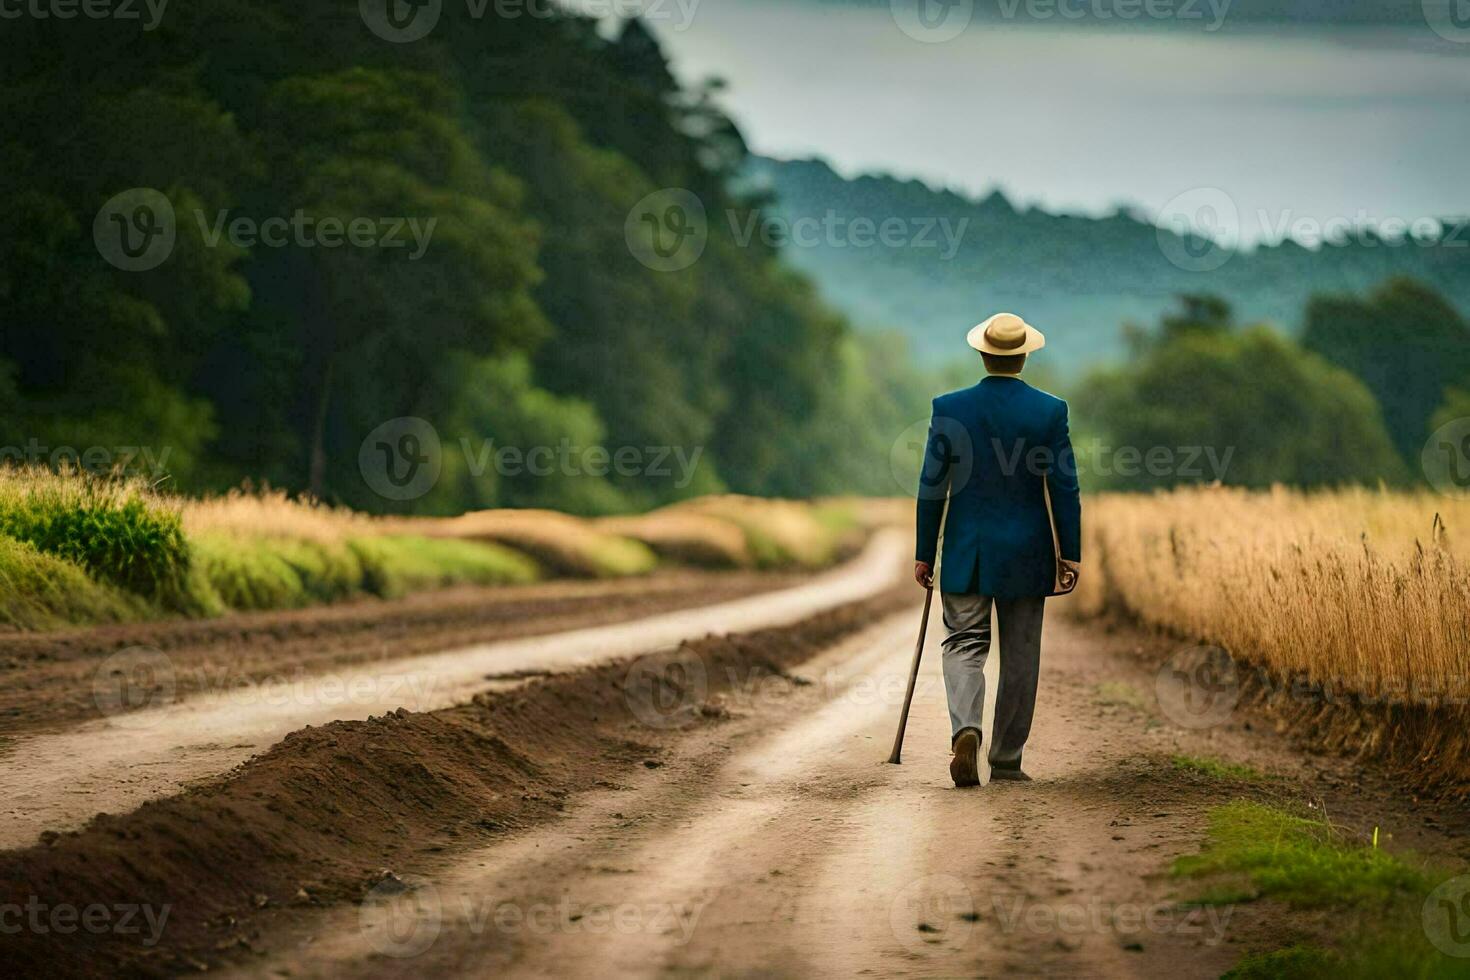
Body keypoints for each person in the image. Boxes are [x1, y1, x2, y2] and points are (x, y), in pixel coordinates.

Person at [913, 312, 1082, 787]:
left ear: (983, 354)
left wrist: (925, 551)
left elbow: (932, 488)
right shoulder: (1050, 411)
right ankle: (1006, 759)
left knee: (964, 644)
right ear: (1024, 356)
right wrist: (1070, 552)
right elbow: (1064, 487)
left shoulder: (949, 408)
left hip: (968, 551)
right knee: (1021, 655)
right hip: (1028, 553)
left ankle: (966, 729)